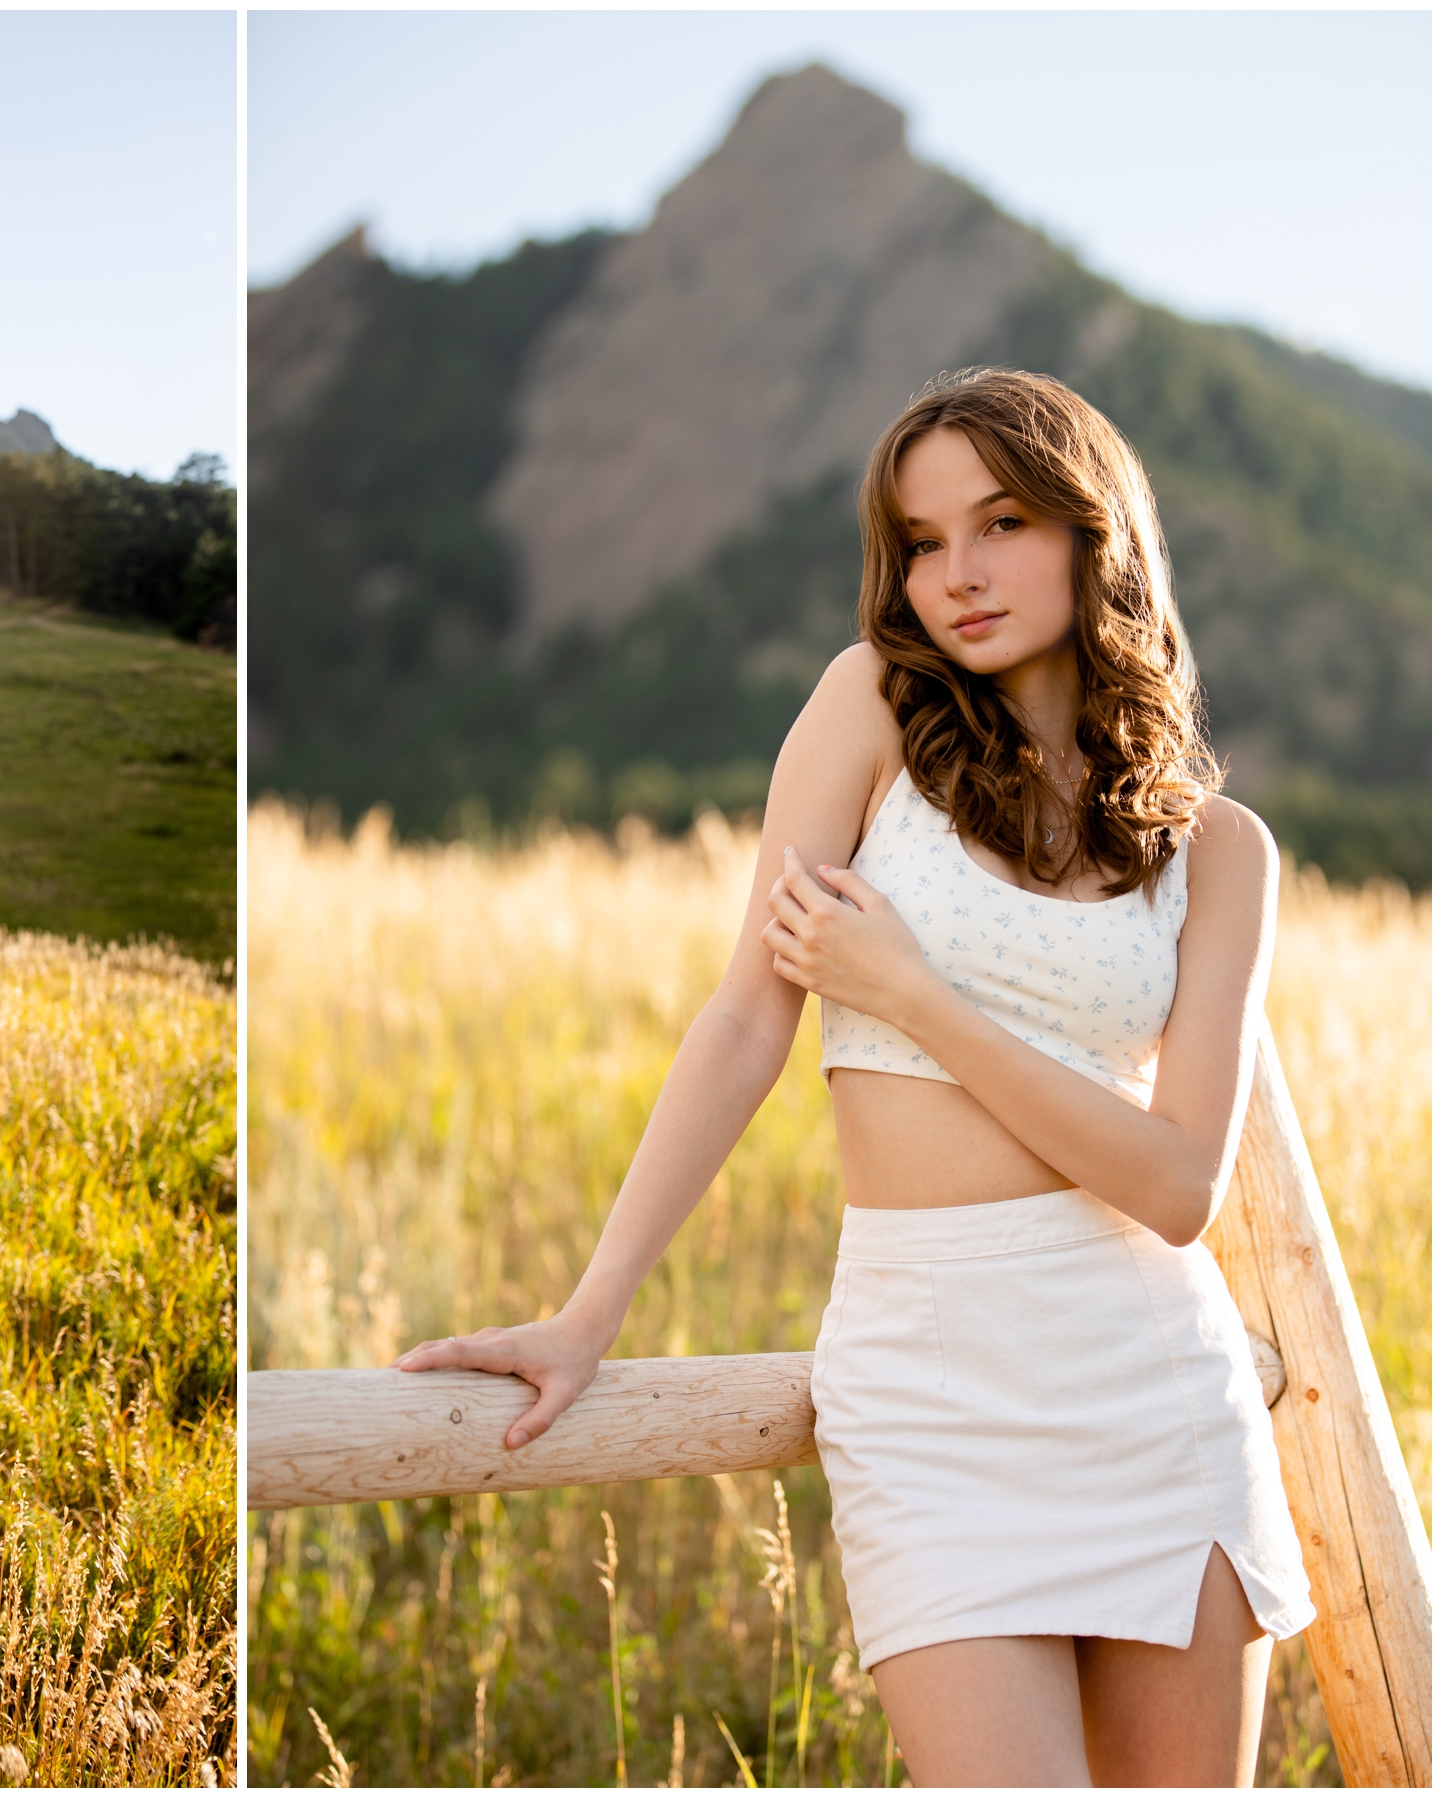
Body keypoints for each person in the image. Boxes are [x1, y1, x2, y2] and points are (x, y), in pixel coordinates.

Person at [396, 368, 1313, 1787]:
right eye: (925, 540)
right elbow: (746, 1025)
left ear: (1094, 533)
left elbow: (1181, 1183)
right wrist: (591, 1310)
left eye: (1001, 522)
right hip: (930, 1382)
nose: (960, 573)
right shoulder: (873, 711)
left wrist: (917, 1000)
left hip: (1155, 1392)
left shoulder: (1223, 853)